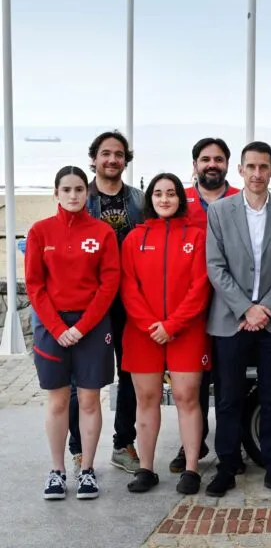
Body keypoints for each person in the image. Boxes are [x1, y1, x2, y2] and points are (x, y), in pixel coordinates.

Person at [205, 141, 271, 497]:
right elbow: (215, 266)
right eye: (251, 167)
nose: (257, 174)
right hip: (230, 320)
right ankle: (227, 466)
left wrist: (265, 309)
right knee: (229, 397)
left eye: (264, 167)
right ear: (240, 171)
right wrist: (246, 308)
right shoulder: (220, 211)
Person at [26, 166, 120, 500]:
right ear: (56, 193)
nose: (73, 195)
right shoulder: (40, 232)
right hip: (53, 328)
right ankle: (57, 471)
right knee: (58, 400)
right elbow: (35, 285)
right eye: (66, 189)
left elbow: (109, 284)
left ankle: (88, 470)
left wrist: (82, 326)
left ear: (87, 192)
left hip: (92, 327)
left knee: (91, 399)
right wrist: (57, 327)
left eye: (79, 189)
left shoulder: (103, 233)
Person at [120, 173, 212, 495]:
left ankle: (190, 469)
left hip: (185, 331)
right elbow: (128, 287)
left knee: (188, 397)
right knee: (146, 399)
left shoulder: (197, 236)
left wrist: (171, 325)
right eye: (158, 193)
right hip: (142, 333)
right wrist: (151, 326)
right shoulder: (134, 238)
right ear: (150, 199)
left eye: (171, 193)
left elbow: (200, 286)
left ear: (179, 199)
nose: (164, 199)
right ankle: (146, 468)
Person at [69, 130, 145, 476]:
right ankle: (77, 448)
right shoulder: (80, 197)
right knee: (80, 376)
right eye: (105, 154)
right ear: (94, 158)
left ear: (125, 160)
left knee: (128, 371)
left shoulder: (140, 201)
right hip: (89, 299)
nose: (112, 159)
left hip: (129, 299)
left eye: (118, 154)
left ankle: (122, 444)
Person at [169, 137, 241, 475]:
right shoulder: (179, 201)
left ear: (227, 163)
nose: (211, 164)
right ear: (195, 164)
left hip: (231, 307)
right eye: (205, 159)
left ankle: (232, 449)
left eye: (218, 159)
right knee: (192, 385)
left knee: (230, 383)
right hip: (191, 308)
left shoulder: (242, 199)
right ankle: (191, 448)